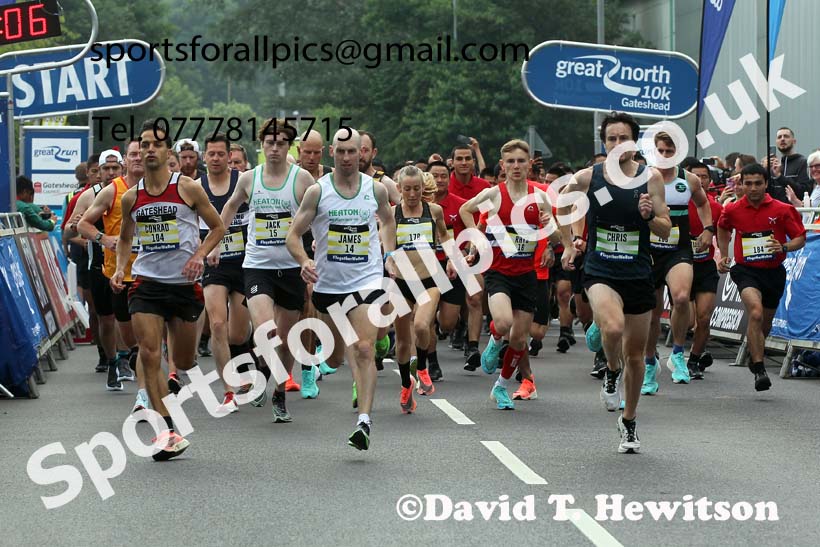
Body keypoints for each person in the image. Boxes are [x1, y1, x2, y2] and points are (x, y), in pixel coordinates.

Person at [113, 119, 225, 461]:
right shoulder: (132, 197)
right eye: (144, 144)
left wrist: (199, 256)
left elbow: (218, 227)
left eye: (155, 145)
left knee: (185, 360)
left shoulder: (188, 188)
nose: (148, 150)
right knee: (149, 352)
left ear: (167, 151)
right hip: (146, 284)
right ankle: (167, 430)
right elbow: (125, 238)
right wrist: (120, 268)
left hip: (184, 286)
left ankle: (169, 387)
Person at [559, 112, 671, 453]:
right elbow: (562, 204)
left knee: (636, 356)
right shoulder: (589, 176)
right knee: (611, 327)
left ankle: (629, 421)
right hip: (599, 268)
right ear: (604, 143)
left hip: (637, 271)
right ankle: (610, 369)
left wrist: (650, 216)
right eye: (611, 139)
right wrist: (567, 243)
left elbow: (666, 229)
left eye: (624, 138)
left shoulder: (650, 179)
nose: (617, 144)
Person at [286, 128, 397, 450]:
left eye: (354, 152)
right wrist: (305, 260)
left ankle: (364, 421)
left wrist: (387, 253)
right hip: (328, 286)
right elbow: (293, 235)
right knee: (335, 358)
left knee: (363, 348)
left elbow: (388, 221)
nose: (348, 158)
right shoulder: (318, 192)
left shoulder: (374, 190)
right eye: (342, 152)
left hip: (366, 279)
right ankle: (329, 361)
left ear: (362, 152)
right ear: (332, 152)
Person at [220, 119, 315, 420]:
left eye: (281, 143)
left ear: (290, 147)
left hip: (291, 269)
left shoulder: (302, 180)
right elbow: (231, 207)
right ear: (261, 146)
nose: (274, 148)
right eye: (269, 143)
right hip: (257, 265)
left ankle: (278, 392)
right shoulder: (249, 179)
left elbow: (319, 217)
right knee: (265, 330)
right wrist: (214, 240)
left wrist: (314, 256)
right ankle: (263, 370)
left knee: (286, 341)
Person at [459, 139, 559, 409]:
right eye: (510, 162)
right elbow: (464, 210)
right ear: (502, 166)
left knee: (519, 339)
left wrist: (551, 231)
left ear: (529, 165)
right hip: (499, 272)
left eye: (521, 161)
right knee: (503, 323)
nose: (516, 166)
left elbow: (557, 237)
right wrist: (476, 241)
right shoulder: (493, 194)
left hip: (526, 274)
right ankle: (493, 340)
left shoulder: (539, 198)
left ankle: (501, 386)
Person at [717, 163, 806, 392]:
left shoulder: (782, 209)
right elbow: (723, 228)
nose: (753, 188)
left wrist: (783, 247)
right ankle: (759, 368)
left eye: (758, 183)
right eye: (748, 183)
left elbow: (800, 238)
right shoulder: (733, 209)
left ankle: (754, 353)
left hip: (773, 272)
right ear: (742, 185)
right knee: (754, 312)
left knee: (763, 323)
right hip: (746, 271)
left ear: (766, 184)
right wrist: (724, 255)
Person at [641, 132, 713, 392]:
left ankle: (678, 353)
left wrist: (708, 229)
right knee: (651, 309)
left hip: (677, 249)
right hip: (648, 250)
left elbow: (704, 204)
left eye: (670, 151)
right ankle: (650, 362)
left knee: (682, 297)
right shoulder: (643, 177)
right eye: (660, 150)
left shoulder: (689, 179)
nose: (664, 156)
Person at [78, 143, 145, 402]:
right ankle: (113, 360)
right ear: (125, 161)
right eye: (133, 155)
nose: (139, 158)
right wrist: (104, 238)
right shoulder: (111, 191)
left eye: (143, 153)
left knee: (149, 335)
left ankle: (150, 387)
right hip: (117, 273)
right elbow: (81, 225)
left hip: (150, 274)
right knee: (113, 325)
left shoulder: (162, 187)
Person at [196, 133, 253, 414]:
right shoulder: (196, 187)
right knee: (217, 324)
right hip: (214, 266)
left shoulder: (242, 183)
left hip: (244, 265)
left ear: (229, 157)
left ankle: (247, 354)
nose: (216, 158)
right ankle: (228, 391)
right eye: (212, 154)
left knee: (237, 333)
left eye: (221, 154)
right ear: (204, 157)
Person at [390, 166, 454, 411]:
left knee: (421, 325)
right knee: (404, 342)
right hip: (401, 283)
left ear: (422, 188)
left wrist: (451, 259)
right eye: (407, 189)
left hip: (429, 279)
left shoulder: (434, 210)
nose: (412, 194)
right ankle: (407, 385)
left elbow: (445, 237)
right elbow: (383, 243)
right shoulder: (392, 214)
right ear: (399, 189)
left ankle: (424, 366)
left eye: (417, 188)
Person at [448, 143, 491, 367]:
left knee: (475, 297)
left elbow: (490, 218)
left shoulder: (484, 187)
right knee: (451, 311)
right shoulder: (445, 186)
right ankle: (457, 326)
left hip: (475, 251)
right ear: (452, 162)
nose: (464, 162)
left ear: (474, 162)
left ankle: (473, 346)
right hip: (449, 253)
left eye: (468, 158)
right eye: (459, 158)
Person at [683, 160, 724, 379]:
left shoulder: (716, 207)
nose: (700, 181)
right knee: (688, 320)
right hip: (680, 266)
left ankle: (694, 359)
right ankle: (679, 354)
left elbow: (725, 232)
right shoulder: (677, 204)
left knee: (704, 317)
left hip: (705, 266)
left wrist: (725, 256)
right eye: (695, 176)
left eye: (705, 177)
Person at [427, 160, 467, 381]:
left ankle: (453, 327)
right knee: (427, 318)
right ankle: (432, 362)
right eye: (435, 176)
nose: (440, 180)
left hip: (451, 266)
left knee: (447, 322)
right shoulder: (416, 206)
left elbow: (470, 232)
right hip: (425, 268)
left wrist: (459, 256)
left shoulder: (459, 205)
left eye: (444, 175)